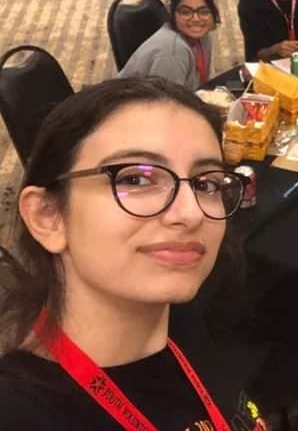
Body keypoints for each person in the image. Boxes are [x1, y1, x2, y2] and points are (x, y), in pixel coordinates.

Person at [0, 77, 268, 429]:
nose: (191, 213)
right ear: (47, 215)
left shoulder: (183, 319)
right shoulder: (19, 413)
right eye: (135, 179)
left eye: (206, 184)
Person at [118, 0, 219, 91]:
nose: (196, 19)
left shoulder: (202, 37)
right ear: (172, 14)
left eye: (204, 12)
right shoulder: (173, 53)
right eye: (185, 12)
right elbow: (166, 99)